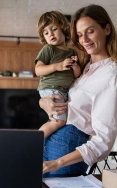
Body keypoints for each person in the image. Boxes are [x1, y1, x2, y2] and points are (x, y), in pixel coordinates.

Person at [39, 4, 117, 177]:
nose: (84, 40)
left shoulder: (114, 77)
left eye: (90, 31)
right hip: (51, 144)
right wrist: (43, 102)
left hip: (66, 152)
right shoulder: (85, 68)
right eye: (80, 35)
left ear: (107, 29)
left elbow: (103, 142)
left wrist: (58, 163)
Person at [35, 11, 81, 139]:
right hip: (51, 89)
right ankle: (34, 141)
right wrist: (58, 66)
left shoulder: (72, 52)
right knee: (59, 121)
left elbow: (77, 75)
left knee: (61, 120)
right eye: (46, 32)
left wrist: (76, 67)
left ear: (64, 29)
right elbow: (38, 70)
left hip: (63, 91)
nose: (51, 34)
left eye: (54, 29)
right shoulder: (49, 49)